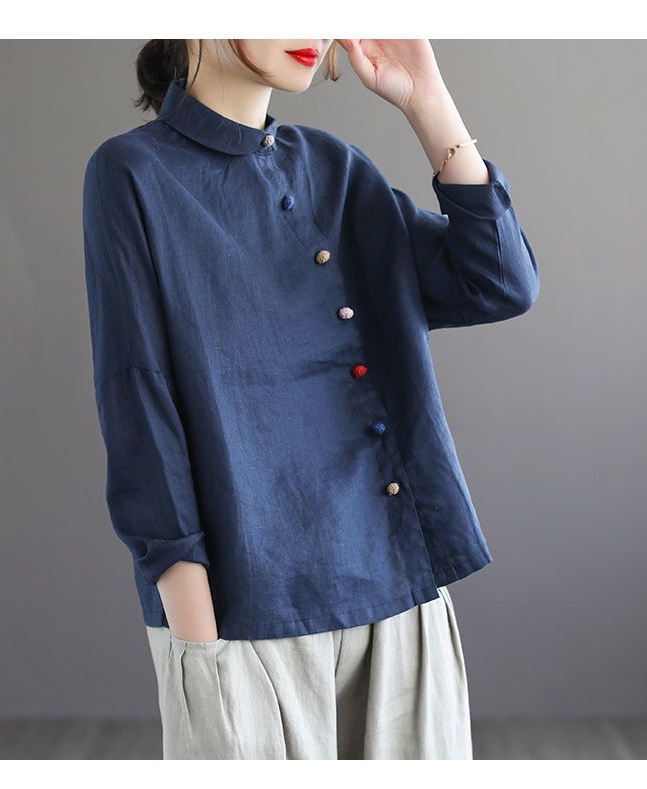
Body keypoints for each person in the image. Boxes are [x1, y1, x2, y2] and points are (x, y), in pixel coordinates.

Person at [82, 39, 540, 760]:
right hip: (246, 616)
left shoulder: (335, 169)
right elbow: (138, 402)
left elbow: (499, 282)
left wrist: (428, 101)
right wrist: (199, 648)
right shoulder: (132, 173)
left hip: (399, 596)